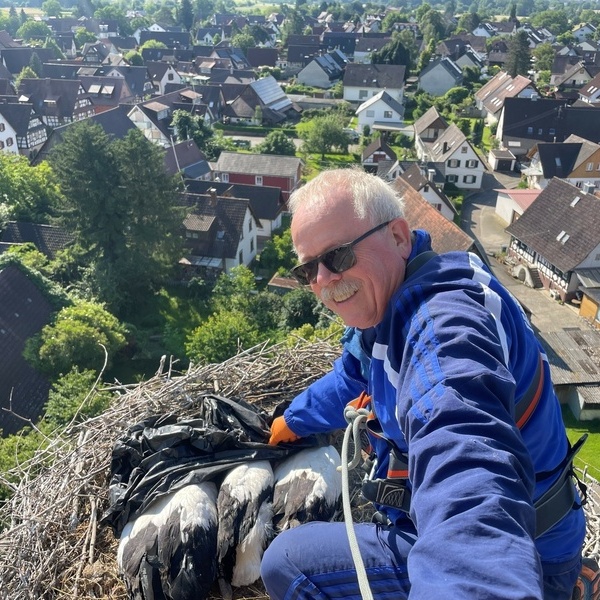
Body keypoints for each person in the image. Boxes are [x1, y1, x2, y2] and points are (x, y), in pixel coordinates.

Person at [261, 168, 587, 600]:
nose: (323, 280)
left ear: (397, 236)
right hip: (533, 528)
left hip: (532, 556)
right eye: (309, 271)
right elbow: (351, 375)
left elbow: (465, 463)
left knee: (285, 562)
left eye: (337, 256)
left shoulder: (444, 328)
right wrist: (293, 419)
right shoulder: (387, 307)